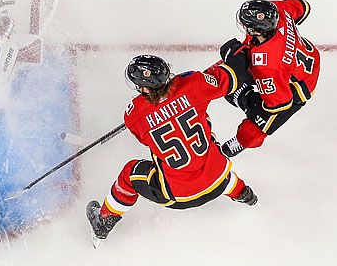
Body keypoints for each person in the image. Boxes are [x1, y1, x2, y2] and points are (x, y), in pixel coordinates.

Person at [86, 55, 258, 247]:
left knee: (129, 173)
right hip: (219, 179)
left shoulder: (134, 114)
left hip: (178, 196)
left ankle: (103, 223)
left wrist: (156, 112)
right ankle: (245, 194)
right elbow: (229, 79)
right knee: (206, 148)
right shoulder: (193, 83)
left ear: (145, 87)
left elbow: (145, 137)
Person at [218, 0, 319, 157]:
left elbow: (279, 104)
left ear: (256, 31)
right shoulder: (278, 10)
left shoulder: (267, 65)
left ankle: (243, 141)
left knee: (258, 126)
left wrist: (244, 99)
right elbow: (302, 6)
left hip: (299, 87)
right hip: (304, 59)